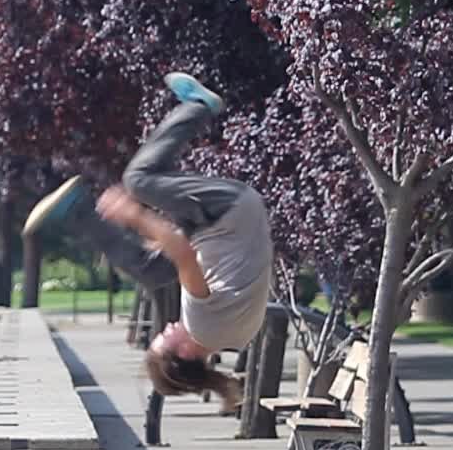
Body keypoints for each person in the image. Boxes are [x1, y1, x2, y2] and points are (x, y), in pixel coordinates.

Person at [23, 72, 274, 411]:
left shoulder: (235, 338)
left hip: (230, 225)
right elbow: (183, 253)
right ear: (183, 352)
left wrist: (161, 241)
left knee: (152, 271)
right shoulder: (200, 321)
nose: (168, 327)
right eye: (164, 338)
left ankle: (76, 209)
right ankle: (199, 107)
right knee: (138, 180)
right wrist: (134, 216)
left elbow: (218, 266)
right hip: (229, 211)